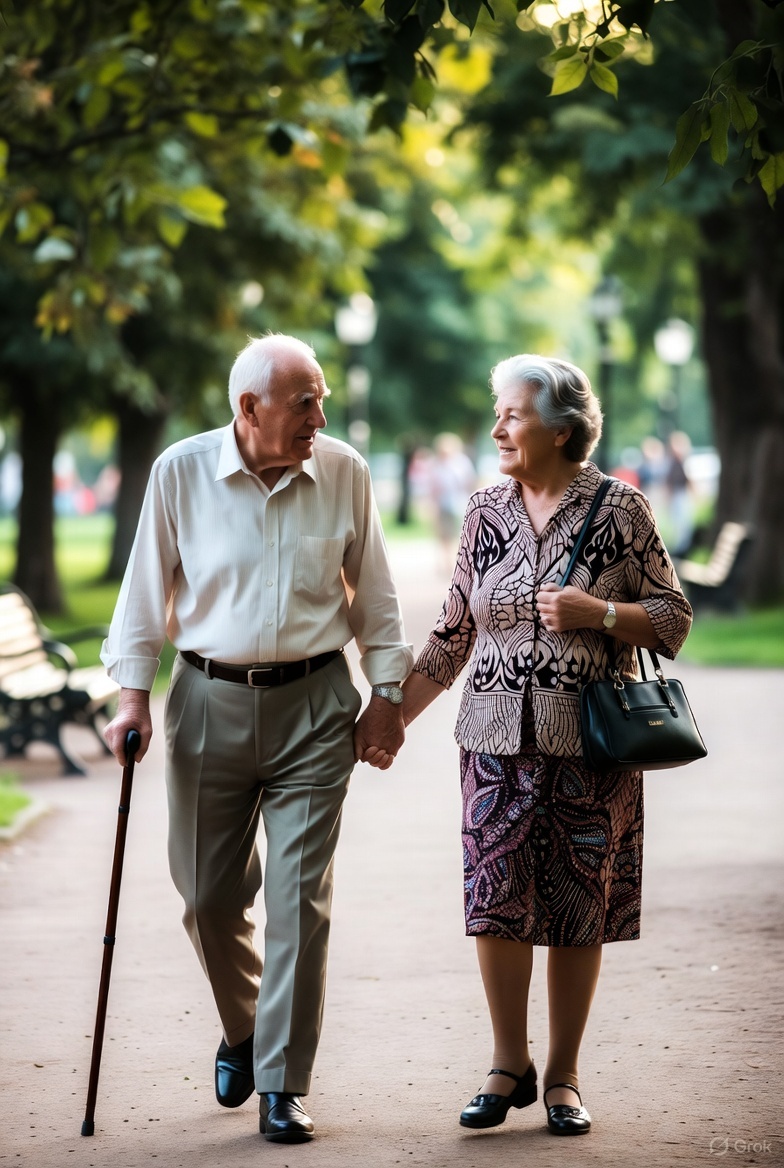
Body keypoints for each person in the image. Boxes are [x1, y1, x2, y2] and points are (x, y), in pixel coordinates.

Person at [101, 334, 413, 1144]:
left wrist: (387, 696)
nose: (321, 414)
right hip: (207, 700)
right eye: (304, 400)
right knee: (208, 900)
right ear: (250, 409)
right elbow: (142, 592)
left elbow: (374, 594)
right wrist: (132, 698)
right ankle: (244, 1029)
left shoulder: (344, 470)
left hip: (314, 705)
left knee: (297, 902)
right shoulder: (180, 472)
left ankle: (281, 1080)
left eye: (322, 398)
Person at [395, 354, 692, 1138]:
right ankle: (507, 1062)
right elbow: (455, 630)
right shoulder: (485, 511)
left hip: (590, 745)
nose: (497, 427)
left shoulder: (620, 508)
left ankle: (562, 1075)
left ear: (561, 431)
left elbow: (673, 618)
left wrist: (600, 614)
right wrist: (390, 716)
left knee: (576, 909)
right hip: (492, 741)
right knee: (493, 902)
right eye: (497, 413)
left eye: (512, 415)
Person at [428, 432, 477, 574]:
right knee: (444, 535)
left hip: (459, 504)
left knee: (461, 535)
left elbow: (470, 482)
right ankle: (446, 563)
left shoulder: (462, 462)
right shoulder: (436, 464)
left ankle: (461, 563)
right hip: (443, 504)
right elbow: (433, 487)